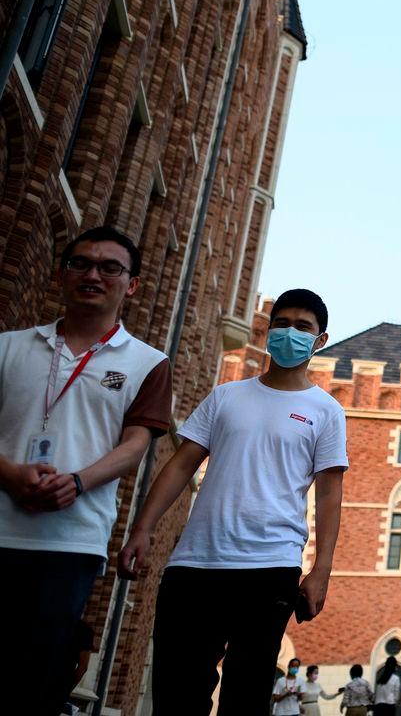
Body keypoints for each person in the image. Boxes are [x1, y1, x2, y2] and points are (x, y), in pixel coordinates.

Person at [117, 288, 348, 715]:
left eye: (303, 327)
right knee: (177, 694)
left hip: (270, 568)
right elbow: (182, 464)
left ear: (320, 340)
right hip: (195, 564)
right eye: (282, 324)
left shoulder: (325, 410)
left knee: (246, 697)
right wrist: (142, 529)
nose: (289, 334)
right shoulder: (226, 396)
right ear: (268, 330)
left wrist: (321, 571)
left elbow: (331, 494)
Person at [0, 226, 172, 715]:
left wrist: (76, 483)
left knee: (37, 679)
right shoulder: (9, 348)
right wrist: (10, 474)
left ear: (131, 285)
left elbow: (136, 442)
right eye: (81, 263)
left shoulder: (147, 363)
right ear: (62, 274)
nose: (93, 274)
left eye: (110, 267)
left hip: (70, 541)